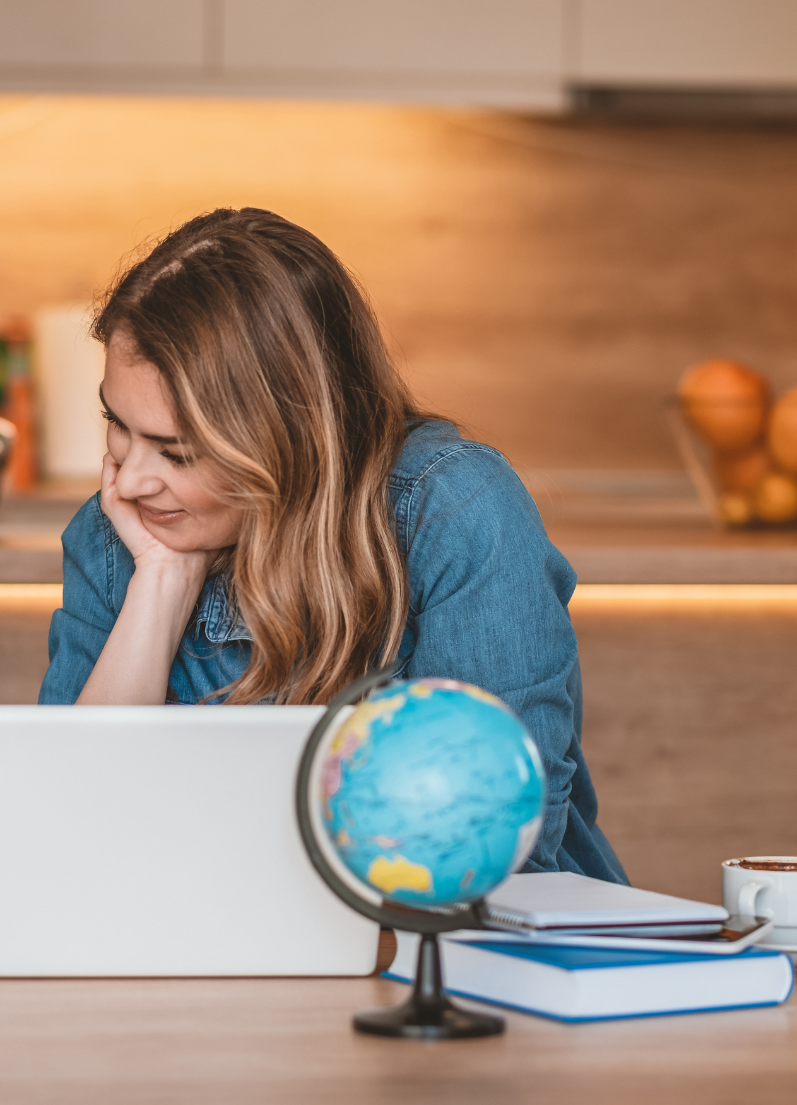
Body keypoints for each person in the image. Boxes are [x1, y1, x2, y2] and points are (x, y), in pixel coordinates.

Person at [39, 208, 625, 882]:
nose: (133, 480)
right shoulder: (118, 535)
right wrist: (162, 587)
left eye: (177, 452)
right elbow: (64, 836)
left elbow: (501, 847)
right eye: (118, 423)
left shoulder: (456, 508)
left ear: (291, 437)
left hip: (472, 955)